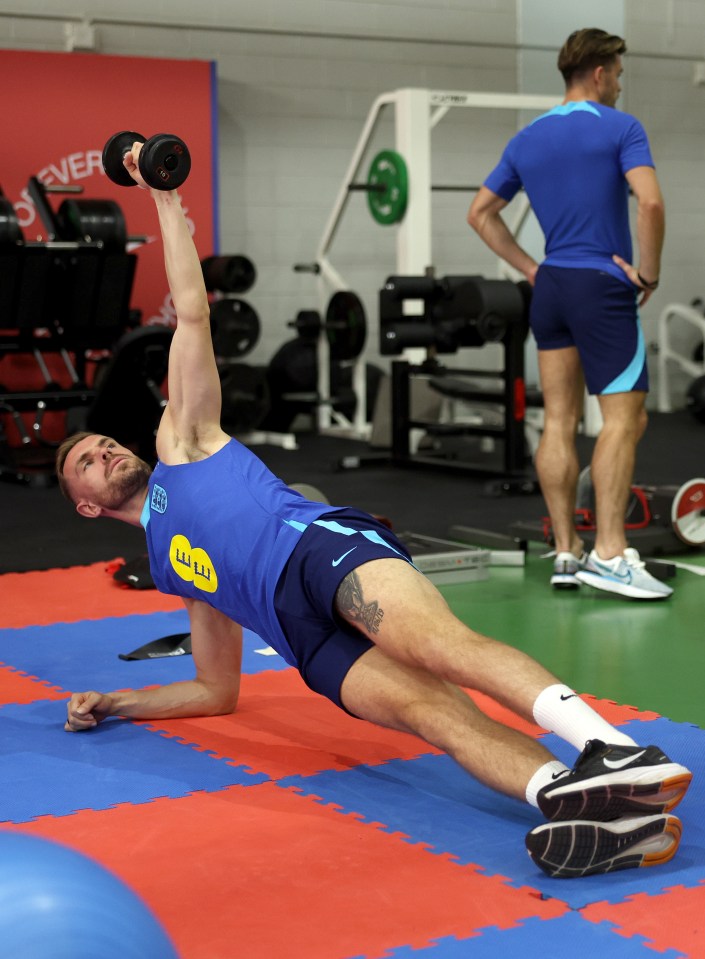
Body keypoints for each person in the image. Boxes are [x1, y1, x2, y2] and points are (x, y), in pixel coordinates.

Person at [56, 139, 691, 880]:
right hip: (304, 640)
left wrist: (162, 199)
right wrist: (117, 702)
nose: (104, 453)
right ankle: (593, 809)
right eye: (87, 463)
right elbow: (214, 689)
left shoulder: (180, 441)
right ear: (85, 506)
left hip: (317, 551)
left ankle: (607, 744)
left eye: (101, 443)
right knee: (436, 716)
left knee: (440, 646)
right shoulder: (170, 566)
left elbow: (192, 317)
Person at [468, 28, 669, 601]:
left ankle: (565, 551)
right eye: (619, 76)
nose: (620, 86)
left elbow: (480, 213)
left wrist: (533, 269)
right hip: (602, 285)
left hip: (552, 285)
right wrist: (648, 274)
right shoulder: (621, 128)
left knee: (559, 420)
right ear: (601, 73)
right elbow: (650, 203)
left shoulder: (527, 139)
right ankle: (608, 554)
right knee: (622, 421)